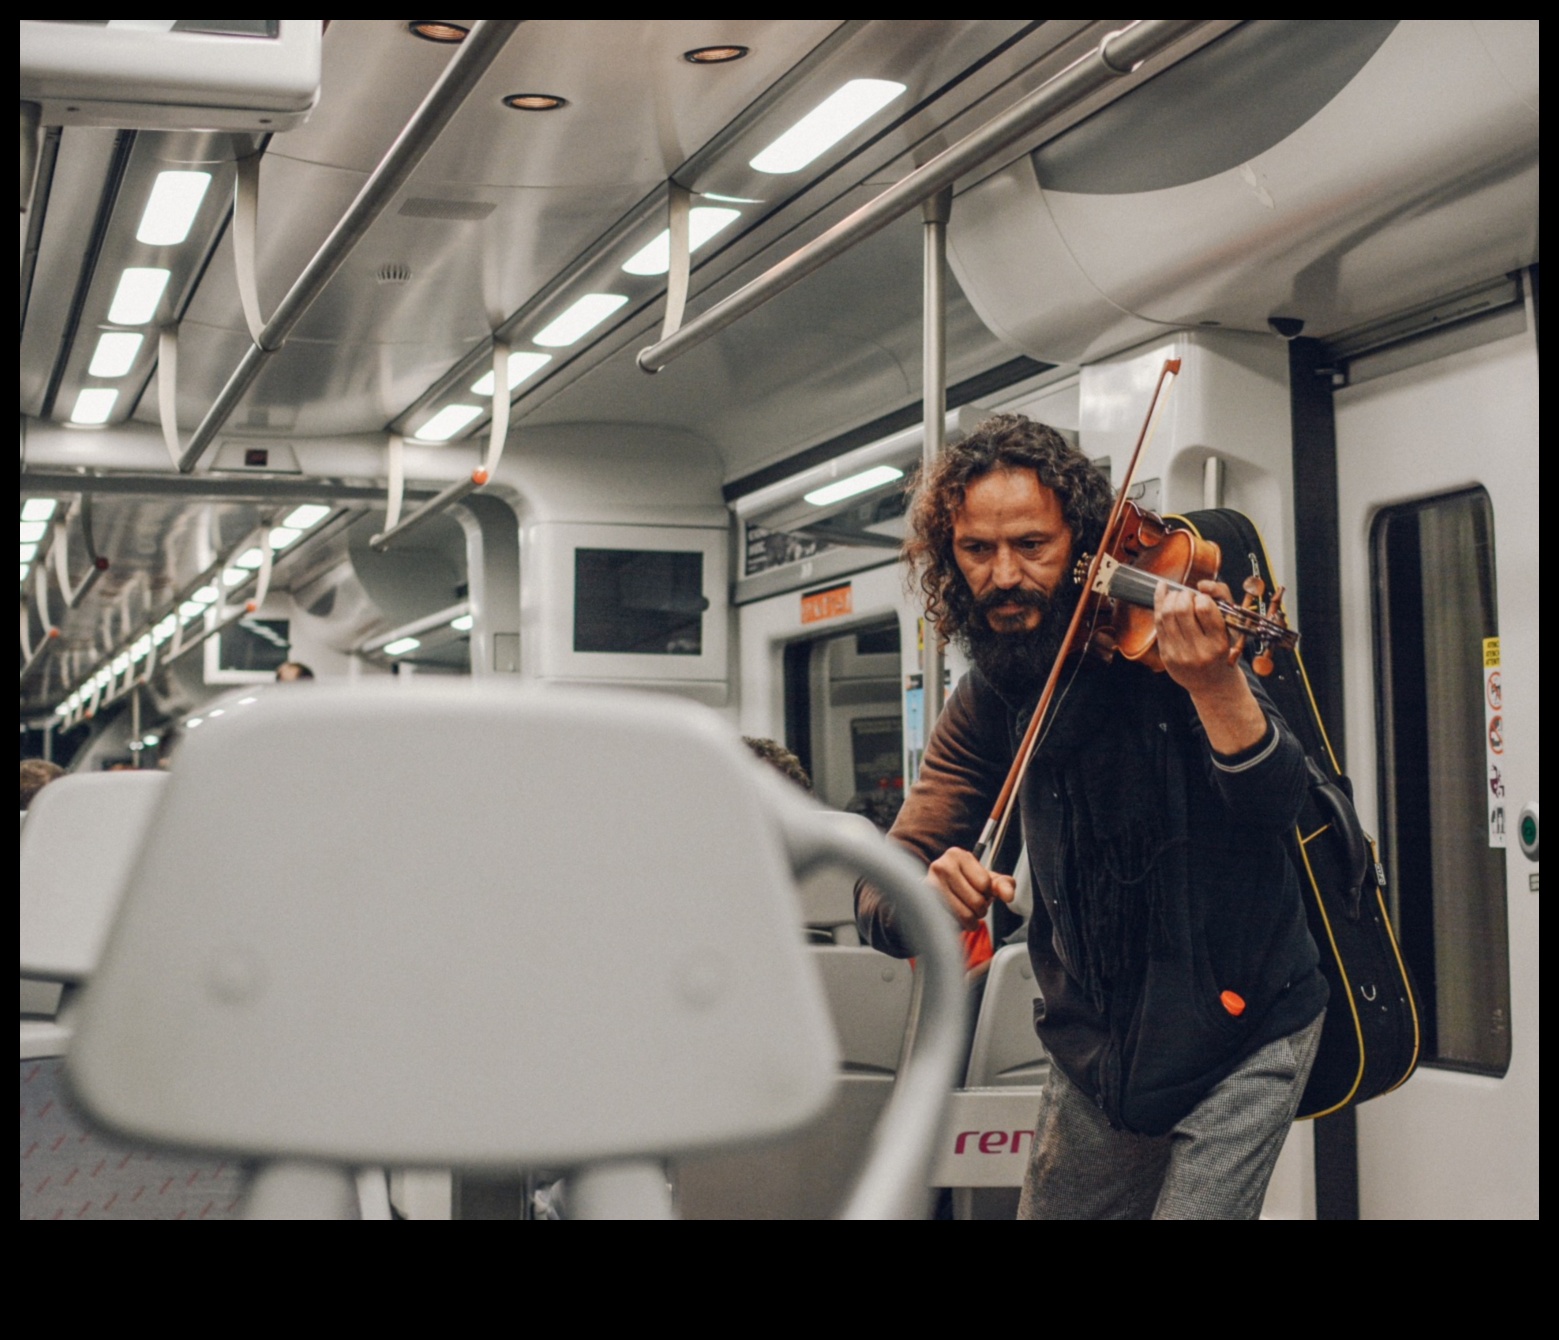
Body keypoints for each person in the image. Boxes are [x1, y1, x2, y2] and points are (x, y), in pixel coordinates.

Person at [855, 413, 1327, 1220]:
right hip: (1093, 1048)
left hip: (1241, 1028)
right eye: (977, 551)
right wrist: (921, 892)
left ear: (1081, 546)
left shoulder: (1175, 656)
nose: (1004, 575)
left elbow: (1282, 804)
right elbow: (884, 886)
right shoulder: (992, 698)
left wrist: (1216, 686)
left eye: (1030, 546)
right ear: (950, 557)